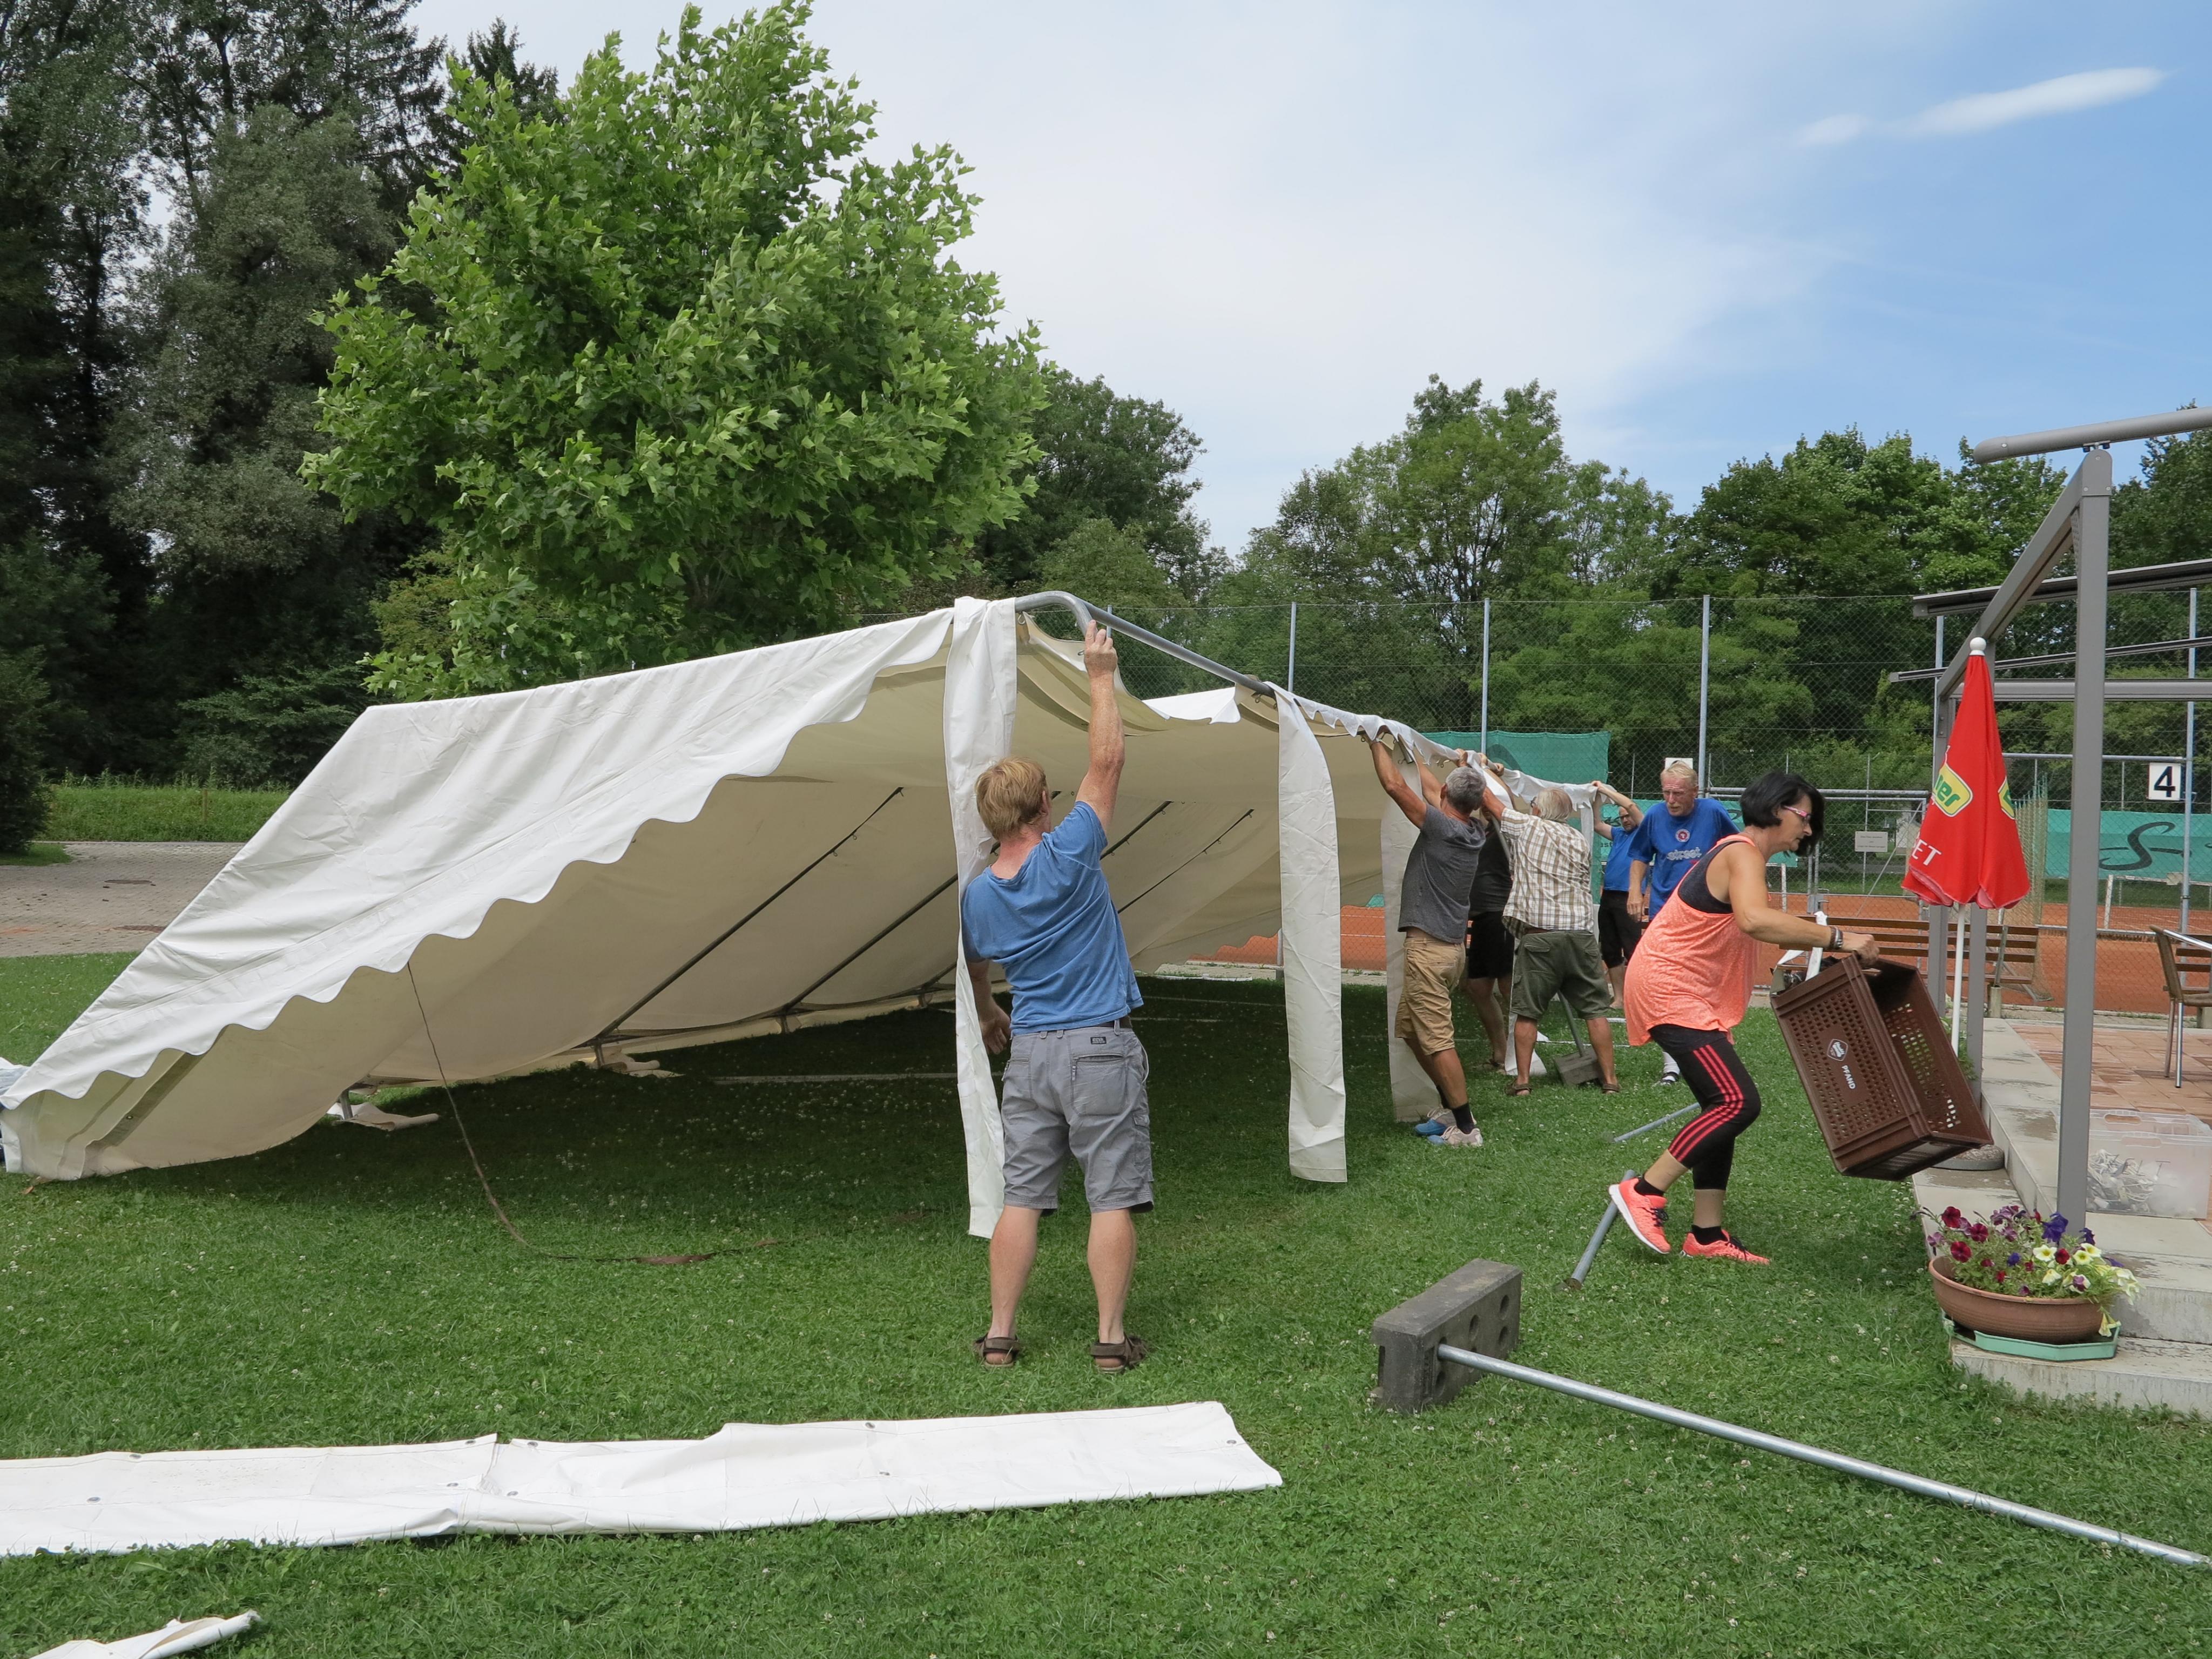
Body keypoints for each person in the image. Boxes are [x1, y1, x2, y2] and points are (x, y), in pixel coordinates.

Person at [961, 621, 1153, 1373]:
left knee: (1022, 1197)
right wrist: (1100, 676)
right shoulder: (1070, 851)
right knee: (1111, 1197)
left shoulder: (979, 894)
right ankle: (1109, 1341)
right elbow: (1107, 760)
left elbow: (974, 959)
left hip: (1031, 1055)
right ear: (1044, 805)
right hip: (1099, 1047)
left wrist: (988, 1010)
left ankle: (1000, 1335)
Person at [1609, 772, 1877, 1264]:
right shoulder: (1741, 852)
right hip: (1670, 988)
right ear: (1776, 809)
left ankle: (1706, 1235)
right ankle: (1644, 1191)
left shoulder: (1745, 858)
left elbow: (1765, 928)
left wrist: (1839, 953)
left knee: (1719, 1108)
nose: (1808, 829)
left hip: (1687, 992)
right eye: (1804, 816)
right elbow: (1755, 921)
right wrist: (1840, 939)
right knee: (1737, 1103)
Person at [1372, 735, 1493, 1149]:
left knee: (1438, 1041)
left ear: (1446, 794)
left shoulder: (1442, 826)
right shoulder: (1474, 828)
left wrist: (1375, 742)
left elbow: (1396, 786)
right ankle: (1449, 1110)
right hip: (1449, 950)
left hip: (1429, 950)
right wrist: (1411, 751)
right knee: (1411, 1030)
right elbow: (1428, 788)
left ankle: (1467, 1128)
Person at [1481, 771, 1620, 1098]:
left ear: (1539, 810)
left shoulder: (1529, 827)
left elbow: (1492, 802)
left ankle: (1522, 1081)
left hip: (1541, 936)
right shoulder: (1579, 840)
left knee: (1528, 1012)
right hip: (1580, 935)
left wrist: (1479, 767)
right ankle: (1610, 1080)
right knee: (1595, 1011)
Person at [1626, 763, 1738, 1084]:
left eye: (1678, 793)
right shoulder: (1655, 816)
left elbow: (1737, 848)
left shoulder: (1713, 812)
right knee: (1667, 985)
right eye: (1666, 793)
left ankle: (1715, 1042)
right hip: (1666, 912)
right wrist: (1636, 891)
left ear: (1694, 792)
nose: (1671, 800)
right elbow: (1640, 856)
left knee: (1705, 981)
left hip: (1706, 914)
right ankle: (1672, 1065)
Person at [1589, 779, 1646, 1007]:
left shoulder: (1644, 832)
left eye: (1628, 816)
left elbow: (1632, 807)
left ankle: (1639, 997)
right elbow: (1597, 824)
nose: (1625, 820)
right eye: (1621, 817)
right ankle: (1620, 998)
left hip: (1629, 898)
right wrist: (1597, 798)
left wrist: (1607, 790)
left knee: (1633, 948)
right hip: (1609, 897)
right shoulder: (1619, 835)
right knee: (1610, 949)